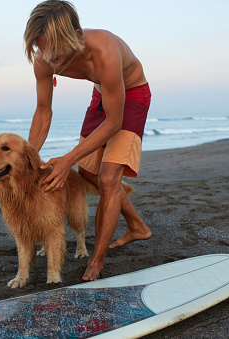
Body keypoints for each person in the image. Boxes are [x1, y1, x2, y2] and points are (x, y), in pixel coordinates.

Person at [24, 0, 152, 281]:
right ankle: (137, 226)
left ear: (76, 36)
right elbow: (43, 112)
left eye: (53, 49)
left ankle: (96, 262)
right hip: (102, 94)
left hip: (131, 96)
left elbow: (114, 122)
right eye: (40, 47)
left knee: (107, 179)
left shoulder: (104, 52)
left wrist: (66, 159)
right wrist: (27, 158)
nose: (46, 56)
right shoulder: (43, 58)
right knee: (88, 173)